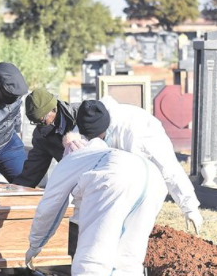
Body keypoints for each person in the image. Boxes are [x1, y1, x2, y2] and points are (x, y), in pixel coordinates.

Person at [26, 101, 167, 276]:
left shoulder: (72, 160)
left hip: (116, 179)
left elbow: (48, 209)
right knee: (127, 261)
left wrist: (34, 246)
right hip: (152, 179)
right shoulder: (106, 151)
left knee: (91, 262)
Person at [67, 95, 203, 235]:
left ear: (104, 129)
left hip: (145, 178)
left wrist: (190, 207)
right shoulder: (86, 125)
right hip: (114, 175)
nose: (92, 140)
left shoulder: (139, 133)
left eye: (95, 137)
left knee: (132, 227)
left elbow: (168, 167)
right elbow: (78, 173)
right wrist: (74, 218)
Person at [13, 89, 79, 187]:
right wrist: (16, 190)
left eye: (42, 120)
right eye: (35, 122)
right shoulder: (41, 135)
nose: (40, 126)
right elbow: (33, 170)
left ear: (53, 109)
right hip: (75, 181)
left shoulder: (81, 114)